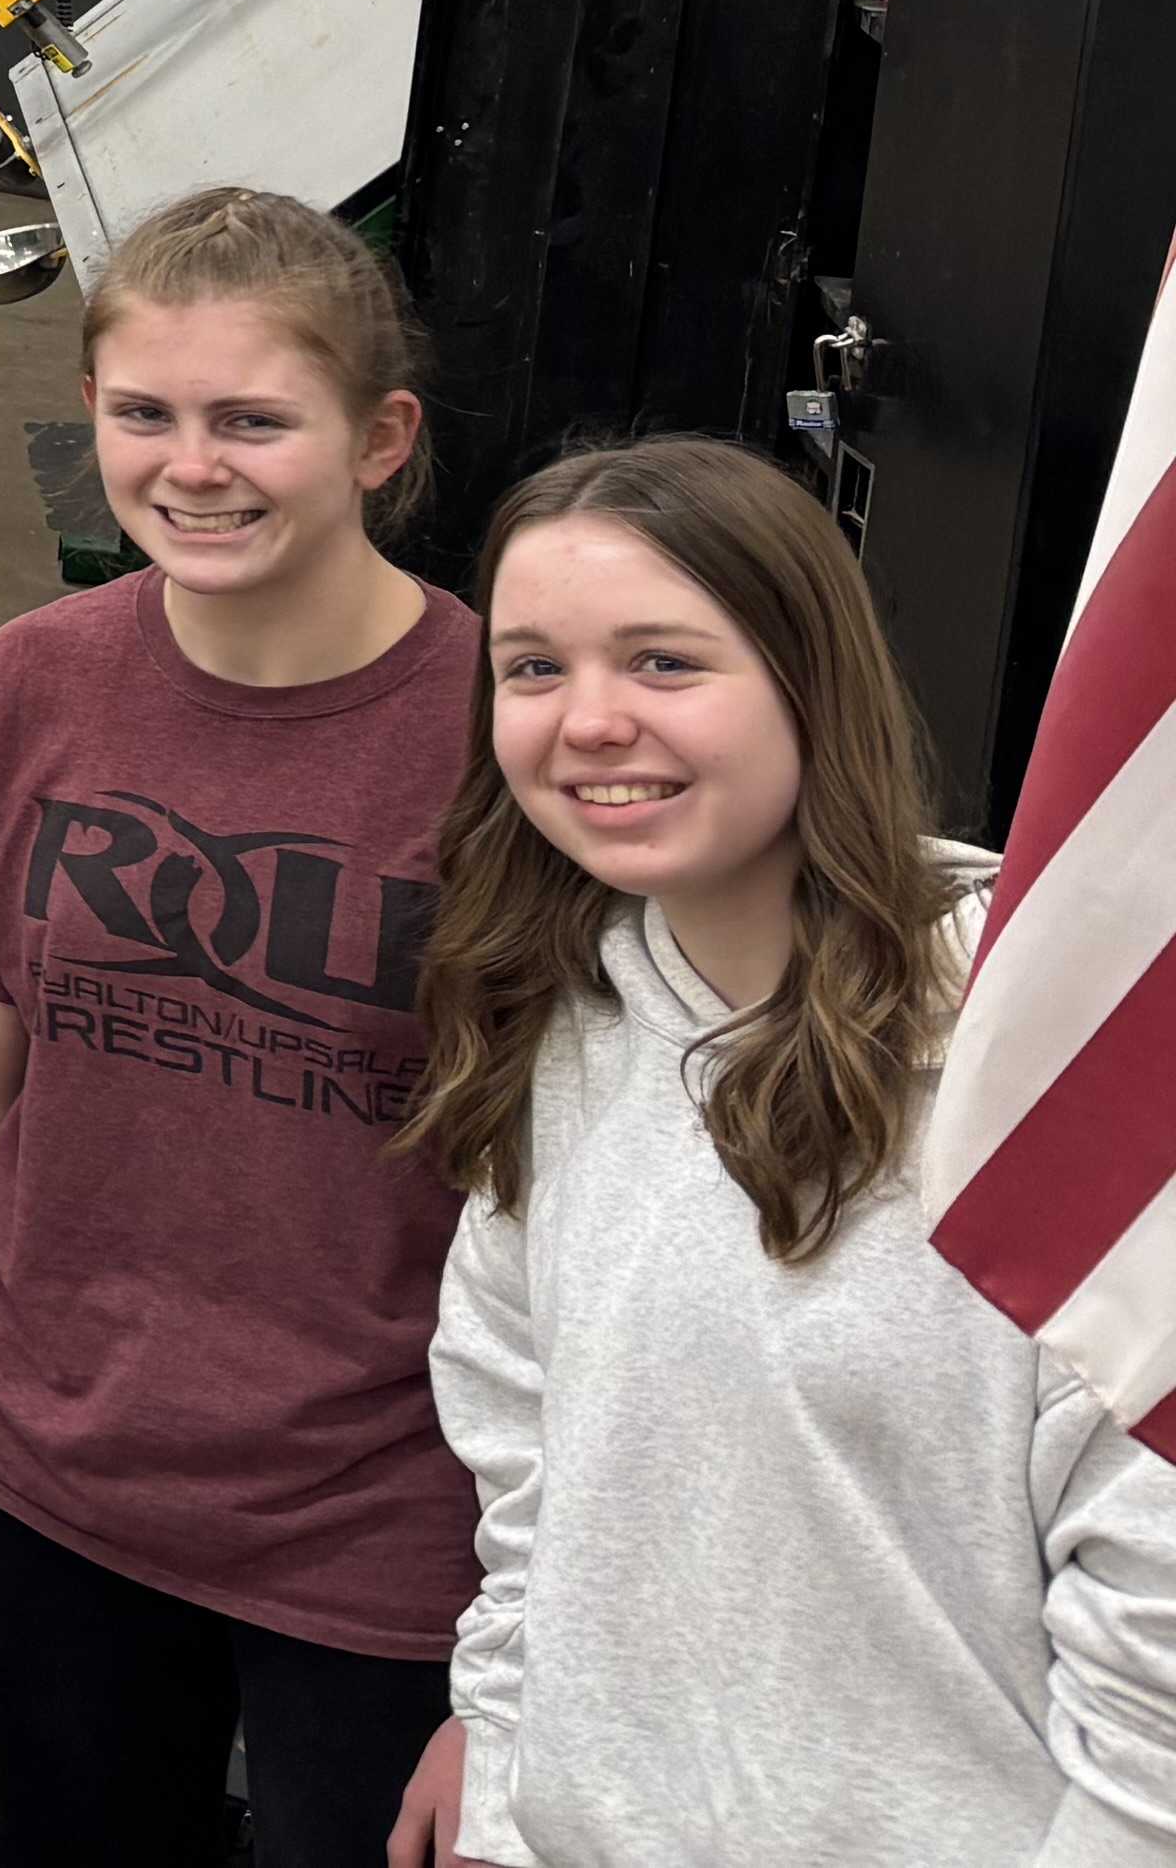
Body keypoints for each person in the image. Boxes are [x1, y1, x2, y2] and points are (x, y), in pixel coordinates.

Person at [392, 438, 1176, 1868]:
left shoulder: (1051, 1064)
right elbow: (529, 1467)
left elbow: (1157, 1583)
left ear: (812, 679)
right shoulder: (562, 1031)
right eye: (533, 669)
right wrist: (505, 1771)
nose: (589, 723)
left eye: (665, 663)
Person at [0, 185, 478, 1866]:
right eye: (143, 412)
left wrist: (530, 1652)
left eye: (252, 417)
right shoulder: (30, 680)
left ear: (378, 435)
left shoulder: (502, 735)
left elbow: (573, 1195)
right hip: (39, 1482)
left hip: (380, 1528)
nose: (189, 465)